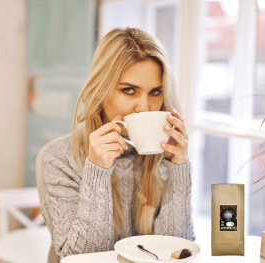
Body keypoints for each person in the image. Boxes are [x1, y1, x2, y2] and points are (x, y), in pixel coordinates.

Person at [36, 27, 195, 263]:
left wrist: (179, 169)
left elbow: (177, 252)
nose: (144, 107)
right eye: (129, 90)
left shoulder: (168, 154)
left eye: (155, 92)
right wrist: (97, 172)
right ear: (101, 91)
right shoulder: (57, 158)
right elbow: (83, 259)